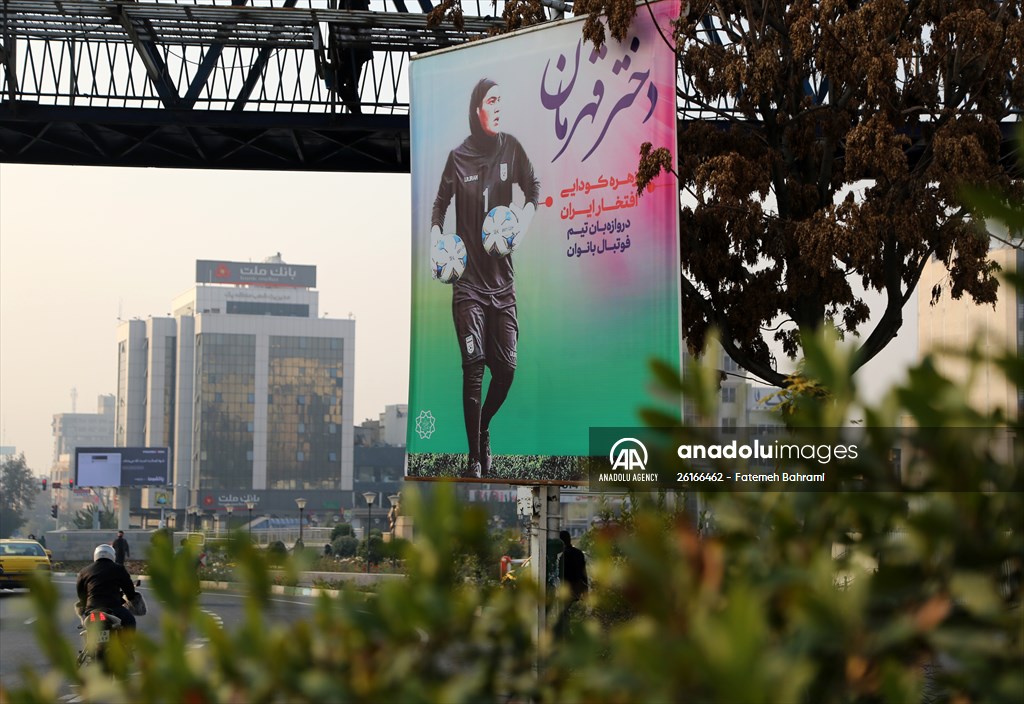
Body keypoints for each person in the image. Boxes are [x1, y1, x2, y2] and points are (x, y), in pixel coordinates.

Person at [431, 77, 541, 478]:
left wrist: (520, 227)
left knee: (507, 370)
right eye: (491, 101)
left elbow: (534, 189)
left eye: (501, 101)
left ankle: (484, 426)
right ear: (476, 109)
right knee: (474, 364)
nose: (498, 107)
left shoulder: (512, 148)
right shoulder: (457, 158)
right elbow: (439, 206)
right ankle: (475, 459)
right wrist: (436, 243)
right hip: (468, 287)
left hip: (503, 285)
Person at [75, 544, 139, 630]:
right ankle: (127, 643)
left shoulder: (84, 571)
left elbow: (80, 593)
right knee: (130, 621)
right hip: (114, 608)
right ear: (112, 555)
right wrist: (131, 597)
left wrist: (84, 604)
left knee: (85, 626)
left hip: (92, 609)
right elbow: (129, 589)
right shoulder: (119, 569)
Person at [554, 530, 588, 639]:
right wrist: (586, 592)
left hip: (565, 591)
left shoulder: (560, 556)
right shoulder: (578, 553)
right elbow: (584, 574)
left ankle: (566, 636)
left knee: (562, 614)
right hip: (578, 590)